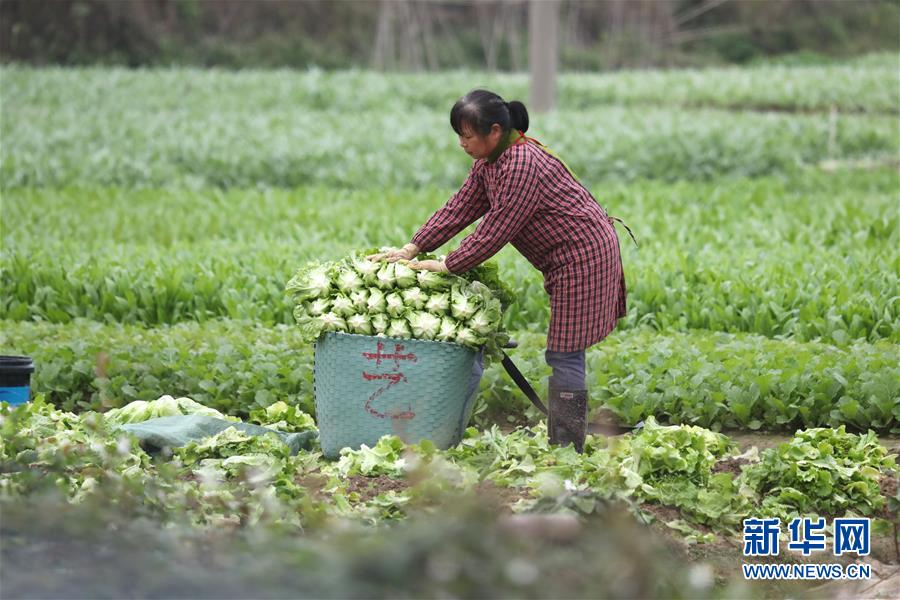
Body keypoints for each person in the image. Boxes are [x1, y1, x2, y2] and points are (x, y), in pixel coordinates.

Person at [369, 89, 631, 453]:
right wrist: (414, 246)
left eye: (467, 135)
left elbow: (498, 227)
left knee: (565, 351)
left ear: (494, 131)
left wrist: (448, 265)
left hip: (583, 255)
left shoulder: (522, 164)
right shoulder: (492, 160)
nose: (462, 143)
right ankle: (566, 437)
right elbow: (461, 206)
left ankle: (568, 445)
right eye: (459, 135)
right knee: (565, 349)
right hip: (562, 256)